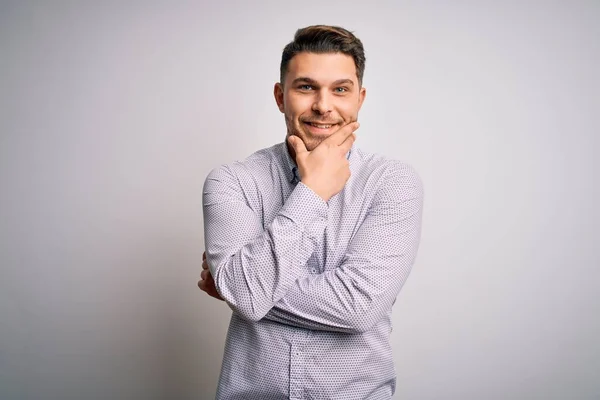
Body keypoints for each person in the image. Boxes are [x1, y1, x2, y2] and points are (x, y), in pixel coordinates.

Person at [198, 25, 423, 400]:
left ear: (360, 98)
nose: (323, 105)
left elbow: (358, 308)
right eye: (306, 87)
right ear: (279, 96)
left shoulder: (393, 182)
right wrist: (313, 191)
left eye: (340, 89)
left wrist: (240, 288)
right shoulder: (231, 181)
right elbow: (245, 290)